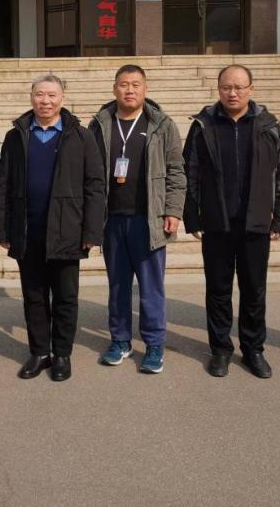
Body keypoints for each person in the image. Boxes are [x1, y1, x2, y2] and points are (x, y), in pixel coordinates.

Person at [182, 64, 280, 379]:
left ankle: (253, 349)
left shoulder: (268, 126)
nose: (232, 93)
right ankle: (220, 350)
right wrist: (192, 215)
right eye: (226, 87)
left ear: (251, 89)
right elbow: (189, 172)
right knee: (218, 290)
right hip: (217, 223)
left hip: (255, 224)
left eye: (239, 87)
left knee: (254, 290)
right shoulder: (204, 125)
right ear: (218, 89)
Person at [0, 75, 105, 381]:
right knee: (34, 296)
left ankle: (62, 354)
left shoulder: (80, 136)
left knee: (66, 297)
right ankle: (40, 352)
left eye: (52, 95)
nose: (45, 101)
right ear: (31, 97)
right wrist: (2, 229)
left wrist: (91, 231)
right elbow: (4, 183)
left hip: (68, 230)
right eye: (40, 94)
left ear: (62, 98)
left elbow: (95, 185)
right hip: (27, 230)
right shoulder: (16, 135)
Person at [89, 65, 185, 374]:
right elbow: (89, 173)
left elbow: (176, 170)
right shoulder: (100, 124)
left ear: (145, 89)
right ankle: (120, 341)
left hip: (148, 219)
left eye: (135, 84)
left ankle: (154, 345)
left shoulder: (162, 125)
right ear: (114, 88)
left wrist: (173, 211)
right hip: (112, 220)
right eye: (123, 84)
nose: (129, 90)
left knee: (151, 287)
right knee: (117, 285)